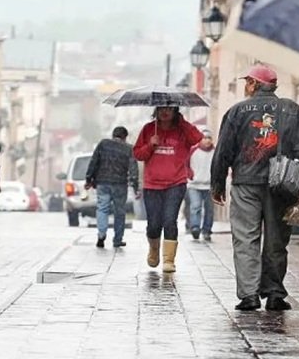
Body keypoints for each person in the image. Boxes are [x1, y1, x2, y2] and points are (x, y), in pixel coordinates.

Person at [211, 64, 299, 312]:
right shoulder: (292, 109)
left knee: (245, 239)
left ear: (254, 84)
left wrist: (218, 183)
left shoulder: (237, 111)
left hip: (246, 182)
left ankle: (249, 295)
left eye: (247, 82)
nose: (246, 86)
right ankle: (275, 294)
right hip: (282, 183)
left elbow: (224, 151)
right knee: (277, 240)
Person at [133, 107, 203, 272]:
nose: (165, 112)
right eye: (162, 109)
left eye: (169, 109)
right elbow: (137, 154)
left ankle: (169, 260)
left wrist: (182, 122)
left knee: (170, 220)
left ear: (175, 111)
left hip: (176, 183)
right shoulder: (149, 129)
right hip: (152, 185)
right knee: (154, 225)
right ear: (156, 110)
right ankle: (154, 249)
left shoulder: (182, 130)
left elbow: (197, 138)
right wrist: (150, 145)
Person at [86, 126, 139, 249]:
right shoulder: (129, 149)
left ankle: (101, 234)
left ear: (113, 135)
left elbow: (94, 161)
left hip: (103, 182)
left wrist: (89, 179)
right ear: (125, 137)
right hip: (120, 184)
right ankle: (117, 240)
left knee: (102, 208)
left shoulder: (103, 144)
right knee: (119, 212)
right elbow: (133, 169)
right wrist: (135, 187)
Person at [187, 127, 216, 241]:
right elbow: (185, 163)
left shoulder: (215, 152)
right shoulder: (193, 150)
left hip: (210, 186)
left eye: (209, 138)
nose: (207, 140)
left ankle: (207, 230)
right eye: (204, 138)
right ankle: (195, 228)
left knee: (209, 209)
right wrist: (189, 175)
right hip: (194, 185)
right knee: (195, 207)